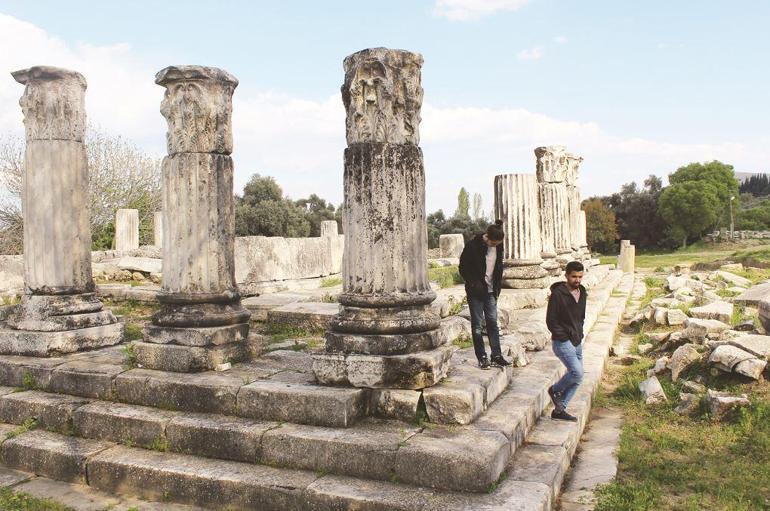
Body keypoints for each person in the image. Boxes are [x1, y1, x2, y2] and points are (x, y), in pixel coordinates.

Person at [458, 220, 511, 369]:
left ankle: (496, 356)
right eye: (494, 243)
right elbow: (462, 268)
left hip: (491, 291)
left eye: (498, 244)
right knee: (476, 326)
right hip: (476, 292)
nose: (495, 246)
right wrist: (473, 283)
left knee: (493, 324)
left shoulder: (498, 247)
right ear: (487, 237)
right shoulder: (472, 246)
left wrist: (497, 288)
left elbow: (498, 267)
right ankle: (482, 357)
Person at [546, 260, 587, 421]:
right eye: (573, 277)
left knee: (578, 378)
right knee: (577, 373)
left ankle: (559, 410)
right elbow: (551, 321)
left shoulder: (582, 291)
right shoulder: (558, 294)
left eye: (580, 277)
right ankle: (555, 390)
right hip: (562, 342)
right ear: (566, 275)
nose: (577, 280)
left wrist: (579, 333)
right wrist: (563, 336)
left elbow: (581, 316)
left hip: (577, 340)